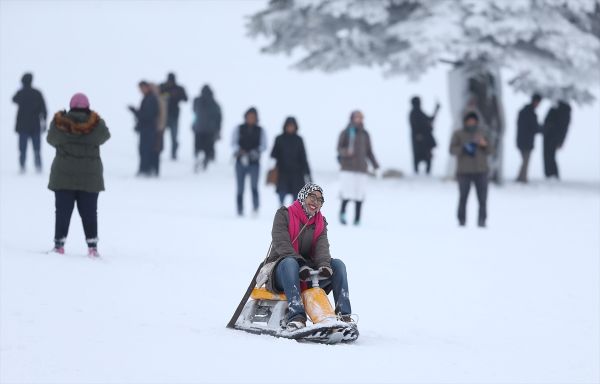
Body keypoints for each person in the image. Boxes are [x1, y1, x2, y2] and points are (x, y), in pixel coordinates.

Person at [261, 183, 354, 331]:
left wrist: (324, 266)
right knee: (290, 262)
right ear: (303, 197)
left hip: (307, 274)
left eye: (320, 200)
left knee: (338, 265)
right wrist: (300, 264)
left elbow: (322, 249)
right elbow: (282, 245)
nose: (315, 202)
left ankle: (344, 316)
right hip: (282, 270)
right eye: (312, 197)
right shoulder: (284, 214)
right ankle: (296, 317)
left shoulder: (320, 222)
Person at [47, 93, 110, 257]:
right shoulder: (96, 125)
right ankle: (92, 247)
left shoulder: (60, 123)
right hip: (90, 177)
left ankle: (59, 246)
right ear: (87, 107)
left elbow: (50, 139)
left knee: (62, 212)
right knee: (89, 212)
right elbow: (105, 136)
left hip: (63, 176)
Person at [449, 112, 495, 227]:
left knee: (482, 199)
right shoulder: (458, 134)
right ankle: (461, 221)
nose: (471, 123)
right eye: (469, 121)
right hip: (464, 172)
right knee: (463, 197)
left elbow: (491, 151)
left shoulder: (482, 134)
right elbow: (452, 150)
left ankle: (482, 221)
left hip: (481, 171)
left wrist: (483, 144)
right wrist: (464, 148)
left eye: (473, 121)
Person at [336, 110, 379, 226]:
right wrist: (346, 152)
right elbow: (339, 148)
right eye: (357, 117)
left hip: (361, 168)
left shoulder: (365, 134)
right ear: (352, 118)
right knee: (347, 193)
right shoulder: (345, 132)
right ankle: (343, 213)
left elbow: (369, 151)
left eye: (361, 117)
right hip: (348, 168)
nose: (359, 120)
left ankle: (357, 218)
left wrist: (375, 165)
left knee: (359, 194)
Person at [232, 107, 267, 216]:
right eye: (249, 116)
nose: (251, 118)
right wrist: (239, 151)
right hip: (240, 162)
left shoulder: (260, 130)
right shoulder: (239, 128)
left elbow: (264, 145)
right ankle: (239, 209)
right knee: (240, 188)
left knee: (254, 186)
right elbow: (233, 143)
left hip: (254, 163)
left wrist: (256, 152)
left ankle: (255, 208)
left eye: (253, 117)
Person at [270, 117, 311, 205]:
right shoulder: (279, 139)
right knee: (282, 192)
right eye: (288, 126)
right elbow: (273, 155)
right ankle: (281, 209)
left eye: (292, 126)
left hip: (297, 172)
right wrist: (272, 167)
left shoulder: (299, 140)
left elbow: (303, 157)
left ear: (295, 127)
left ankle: (293, 212)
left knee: (296, 195)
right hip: (282, 171)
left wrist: (307, 173)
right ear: (285, 126)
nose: (290, 128)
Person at [12, 73, 47, 173]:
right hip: (35, 126)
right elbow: (44, 109)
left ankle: (22, 167)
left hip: (23, 126)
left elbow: (13, 99)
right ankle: (38, 167)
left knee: (22, 149)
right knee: (37, 149)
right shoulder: (37, 93)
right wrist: (44, 122)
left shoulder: (21, 92)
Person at [129, 81, 160, 177]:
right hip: (147, 128)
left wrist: (135, 112)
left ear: (146, 87)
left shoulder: (150, 99)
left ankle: (145, 169)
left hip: (148, 129)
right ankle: (145, 169)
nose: (140, 90)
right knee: (144, 149)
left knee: (146, 149)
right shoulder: (148, 98)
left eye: (141, 88)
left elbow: (147, 116)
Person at [192, 85, 222, 171]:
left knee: (198, 147)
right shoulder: (214, 103)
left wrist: (194, 125)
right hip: (210, 130)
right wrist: (218, 129)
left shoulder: (197, 101)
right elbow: (219, 118)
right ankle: (205, 160)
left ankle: (199, 159)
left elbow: (194, 112)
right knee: (208, 148)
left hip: (199, 129)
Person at [159, 73, 188, 160]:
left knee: (174, 137)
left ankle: (173, 154)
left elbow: (185, 99)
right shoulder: (162, 86)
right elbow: (156, 96)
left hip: (174, 116)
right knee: (160, 136)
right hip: (163, 115)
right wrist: (165, 95)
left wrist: (176, 96)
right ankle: (158, 152)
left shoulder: (179, 88)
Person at [409, 96, 440, 174]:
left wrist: (436, 110)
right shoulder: (413, 113)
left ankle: (427, 173)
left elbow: (430, 120)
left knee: (427, 157)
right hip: (418, 140)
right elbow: (416, 125)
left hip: (425, 139)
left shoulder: (419, 112)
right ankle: (418, 173)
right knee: (418, 156)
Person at [516, 94, 542, 183]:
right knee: (525, 160)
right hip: (526, 141)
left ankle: (521, 177)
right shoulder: (531, 114)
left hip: (521, 140)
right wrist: (544, 128)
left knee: (524, 160)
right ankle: (522, 178)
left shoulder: (523, 111)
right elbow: (534, 128)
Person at [543, 101, 571, 180]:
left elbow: (563, 128)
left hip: (553, 138)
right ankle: (551, 174)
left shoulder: (563, 111)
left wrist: (560, 141)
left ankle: (552, 174)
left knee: (550, 156)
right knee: (549, 156)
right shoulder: (556, 109)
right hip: (549, 137)